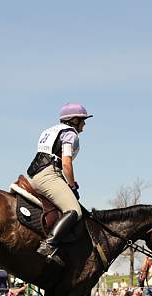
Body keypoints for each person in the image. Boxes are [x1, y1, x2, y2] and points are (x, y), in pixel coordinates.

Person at [27, 103, 92, 266]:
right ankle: (48, 245)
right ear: (74, 120)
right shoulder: (70, 134)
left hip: (35, 175)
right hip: (49, 174)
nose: (84, 124)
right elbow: (66, 164)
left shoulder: (49, 131)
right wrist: (73, 185)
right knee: (74, 211)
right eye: (83, 120)